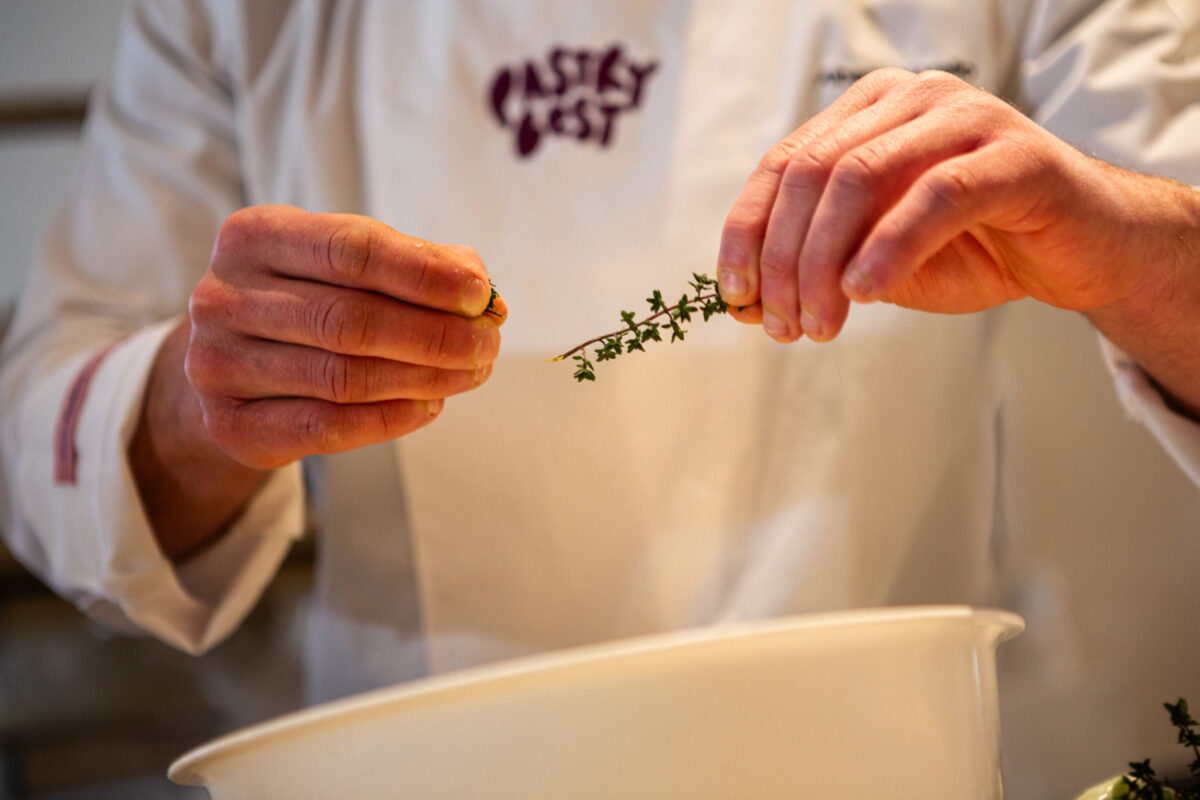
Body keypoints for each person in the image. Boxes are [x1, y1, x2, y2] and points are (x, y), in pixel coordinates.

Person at [1, 0, 1198, 796]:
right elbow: (41, 432)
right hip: (413, 770)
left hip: (870, 761)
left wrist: (1130, 242)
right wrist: (200, 402)